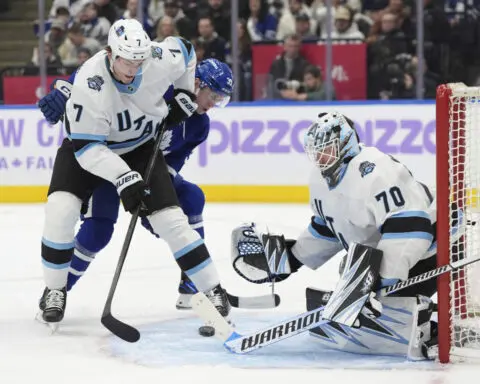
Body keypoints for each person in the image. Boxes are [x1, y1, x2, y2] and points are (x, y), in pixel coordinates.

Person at [37, 19, 233, 327]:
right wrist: (123, 177)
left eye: (138, 62)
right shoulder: (91, 82)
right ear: (110, 54)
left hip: (141, 149)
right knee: (60, 210)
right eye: (127, 62)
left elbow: (186, 50)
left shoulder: (156, 59)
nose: (133, 69)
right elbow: (90, 151)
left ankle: (211, 289)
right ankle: (55, 289)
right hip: (86, 150)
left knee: (171, 219)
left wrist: (183, 93)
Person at [230, 111, 442, 360]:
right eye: (315, 150)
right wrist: (293, 258)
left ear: (346, 145)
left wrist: (377, 281)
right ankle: (411, 312)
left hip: (436, 249)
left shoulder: (377, 171)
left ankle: (436, 327)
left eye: (327, 149)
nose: (320, 157)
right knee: (355, 279)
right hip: (401, 248)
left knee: (380, 312)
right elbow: (329, 226)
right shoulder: (321, 180)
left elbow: (411, 229)